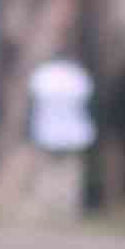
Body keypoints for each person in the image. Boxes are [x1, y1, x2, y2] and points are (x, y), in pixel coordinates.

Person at [25, 56, 96, 215]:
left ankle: (49, 205)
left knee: (50, 170)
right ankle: (66, 206)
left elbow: (34, 100)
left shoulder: (43, 75)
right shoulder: (77, 75)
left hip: (48, 130)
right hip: (72, 131)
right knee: (67, 171)